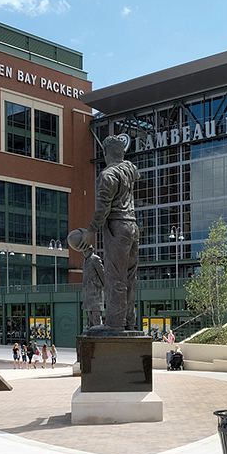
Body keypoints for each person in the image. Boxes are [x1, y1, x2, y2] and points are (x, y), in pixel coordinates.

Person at [72, 134, 139, 331]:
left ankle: (115, 324)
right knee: (130, 277)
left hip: (118, 228)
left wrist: (90, 231)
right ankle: (129, 322)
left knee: (116, 276)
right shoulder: (129, 168)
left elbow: (103, 210)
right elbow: (136, 172)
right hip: (134, 226)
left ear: (104, 153)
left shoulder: (108, 175)